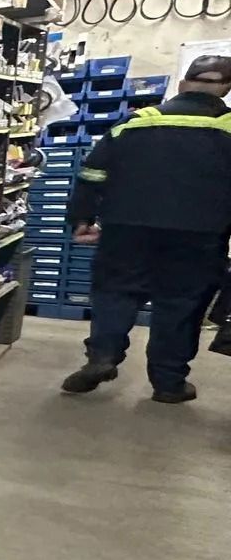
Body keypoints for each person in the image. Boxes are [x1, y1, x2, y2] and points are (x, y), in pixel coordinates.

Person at [61, 54, 231, 400]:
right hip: (198, 234)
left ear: (182, 84)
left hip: (126, 229)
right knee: (180, 305)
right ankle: (168, 383)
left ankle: (102, 356)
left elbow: (92, 174)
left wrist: (81, 219)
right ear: (226, 89)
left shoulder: (136, 122)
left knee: (114, 294)